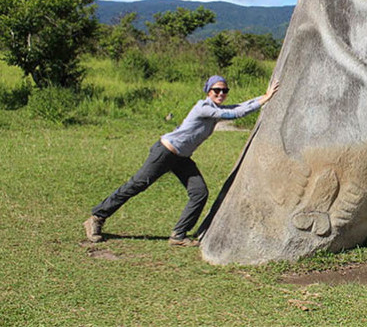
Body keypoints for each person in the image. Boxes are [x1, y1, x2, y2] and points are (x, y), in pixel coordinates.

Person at [83, 75, 279, 246]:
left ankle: (178, 234)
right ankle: (97, 217)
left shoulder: (214, 109)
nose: (221, 94)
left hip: (182, 158)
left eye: (224, 91)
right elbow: (234, 113)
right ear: (208, 91)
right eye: (216, 90)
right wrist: (265, 100)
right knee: (137, 184)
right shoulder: (204, 108)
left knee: (199, 192)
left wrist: (265, 96)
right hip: (165, 152)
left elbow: (238, 106)